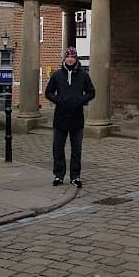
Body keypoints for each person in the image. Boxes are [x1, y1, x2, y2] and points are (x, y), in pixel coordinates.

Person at [45, 46, 95, 188]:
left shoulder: (83, 75)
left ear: (76, 58)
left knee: (76, 149)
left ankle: (75, 176)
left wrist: (81, 100)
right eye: (68, 56)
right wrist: (58, 100)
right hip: (60, 117)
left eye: (73, 57)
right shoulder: (57, 75)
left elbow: (91, 92)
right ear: (65, 58)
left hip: (77, 118)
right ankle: (58, 175)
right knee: (58, 148)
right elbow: (48, 92)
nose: (70, 59)